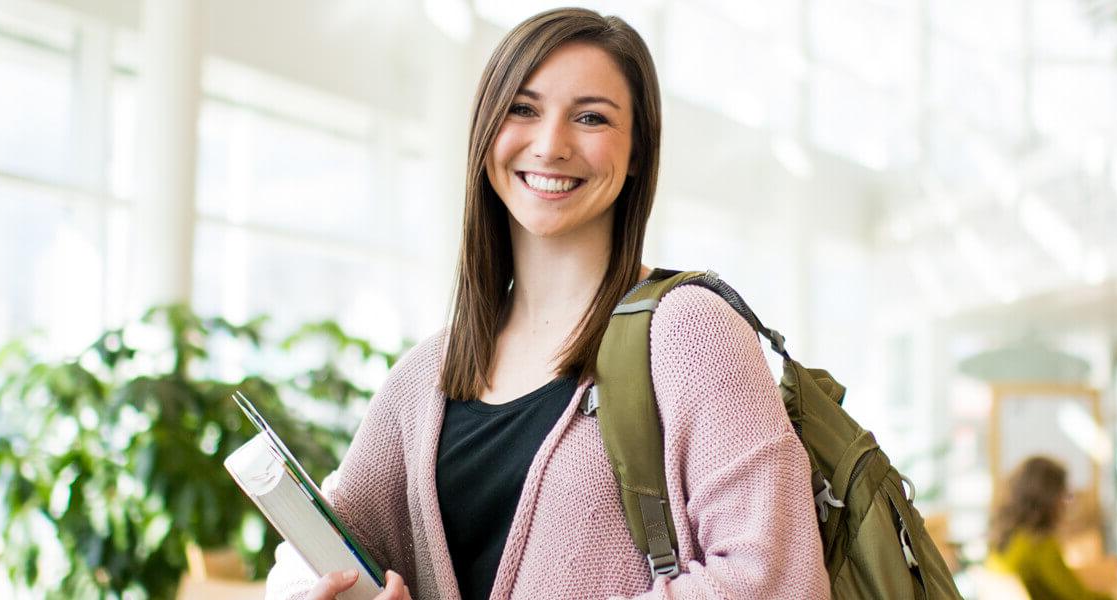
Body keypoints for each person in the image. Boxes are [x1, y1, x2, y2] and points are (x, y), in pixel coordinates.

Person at [266, 8, 828, 600]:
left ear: (637, 151)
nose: (551, 144)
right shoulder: (426, 376)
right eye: (524, 109)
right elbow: (311, 555)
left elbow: (774, 579)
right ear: (487, 133)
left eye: (591, 118)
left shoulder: (689, 331)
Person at [986, 456, 1117, 600]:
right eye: (1064, 495)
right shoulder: (1039, 546)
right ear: (1048, 499)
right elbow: (1081, 598)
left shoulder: (1006, 544)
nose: (1066, 504)